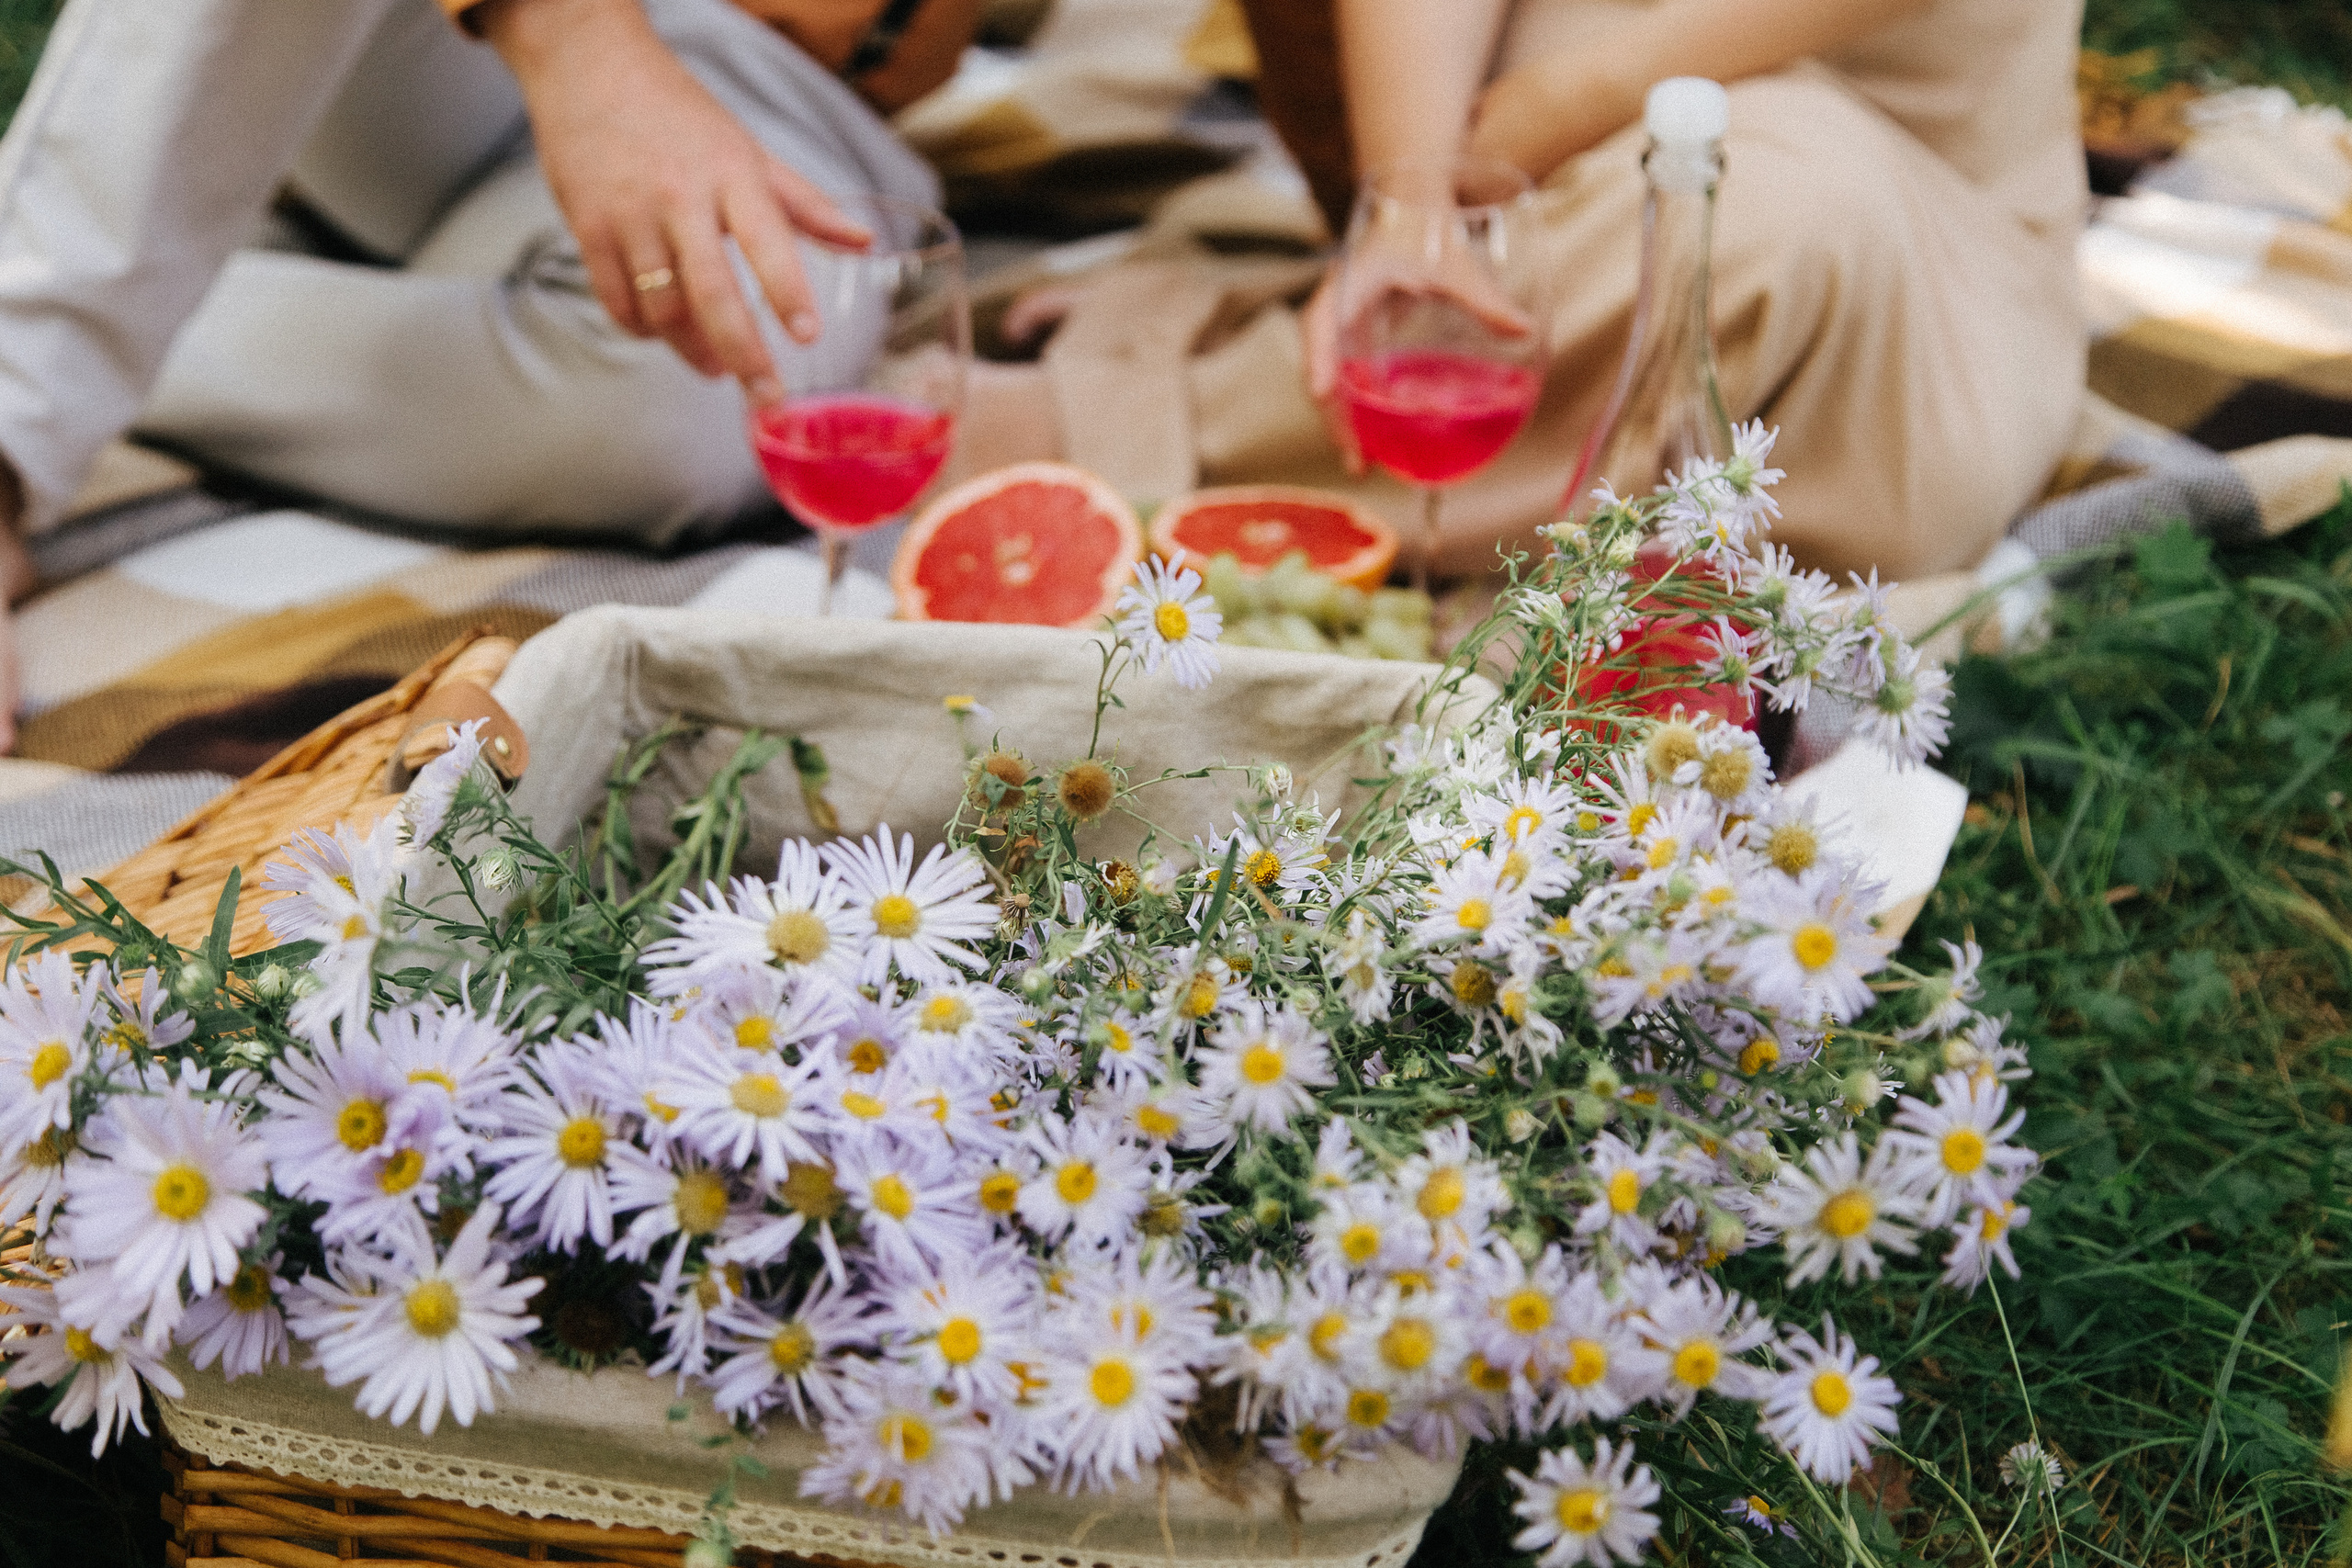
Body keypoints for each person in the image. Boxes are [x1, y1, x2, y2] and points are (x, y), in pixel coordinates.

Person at [0, 0, 983, 749]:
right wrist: (575, 34)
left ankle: (161, 305)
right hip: (464, 38)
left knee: (697, 382)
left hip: (794, 89)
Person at [1291, 0, 2087, 581]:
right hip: (1520, 140)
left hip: (1911, 203)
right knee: (1416, 332)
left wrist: (1563, 103)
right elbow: (1436, 180)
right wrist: (1414, 200)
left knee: (1777, 221)